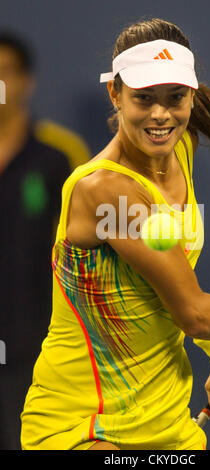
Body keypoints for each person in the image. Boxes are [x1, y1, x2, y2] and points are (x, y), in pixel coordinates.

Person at [20, 18, 210, 451]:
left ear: (192, 96)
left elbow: (169, 283)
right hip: (85, 426)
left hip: (168, 423)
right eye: (144, 98)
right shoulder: (104, 190)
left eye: (175, 98)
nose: (160, 114)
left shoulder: (180, 147)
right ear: (115, 94)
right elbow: (195, 314)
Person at [0, 32, 90, 450]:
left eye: (5, 73)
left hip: (36, 353)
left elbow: (90, 259)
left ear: (26, 81)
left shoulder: (61, 155)